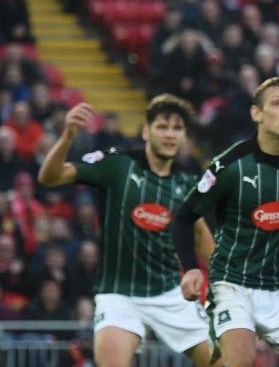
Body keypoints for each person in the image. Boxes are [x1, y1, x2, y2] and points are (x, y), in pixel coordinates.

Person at [37, 96, 217, 367]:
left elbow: (200, 234)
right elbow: (49, 177)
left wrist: (228, 282)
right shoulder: (117, 165)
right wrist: (68, 137)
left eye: (177, 128)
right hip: (119, 296)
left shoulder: (187, 183)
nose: (170, 134)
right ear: (146, 131)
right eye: (162, 126)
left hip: (170, 294)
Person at [172, 77, 279, 367]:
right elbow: (185, 217)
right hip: (233, 286)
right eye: (277, 103)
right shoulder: (230, 165)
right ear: (256, 114)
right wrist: (190, 269)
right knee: (241, 363)